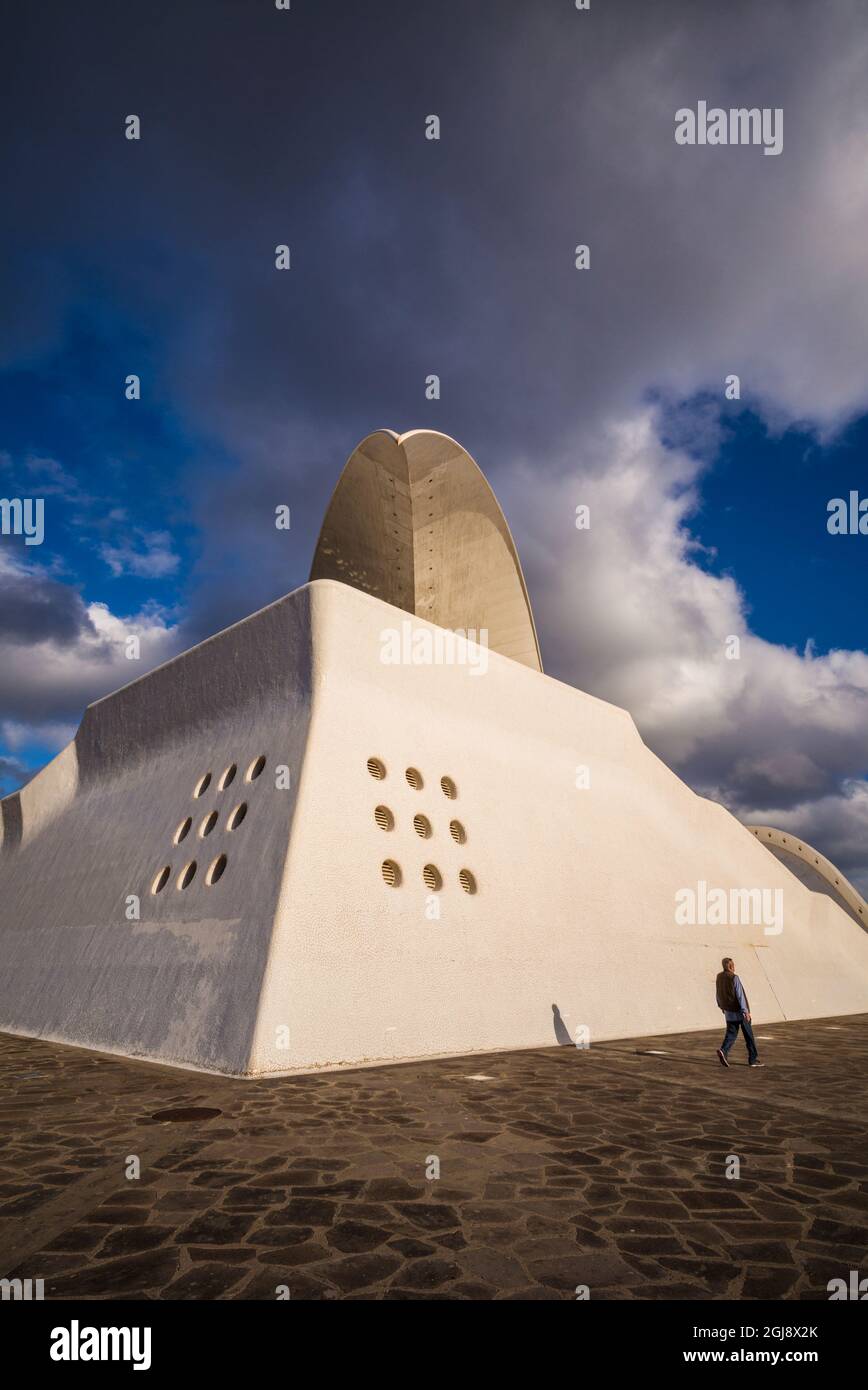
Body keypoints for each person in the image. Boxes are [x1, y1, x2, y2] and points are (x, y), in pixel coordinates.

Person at [715, 957, 764, 1068]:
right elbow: (740, 995)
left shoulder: (719, 977)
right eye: (733, 965)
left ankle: (723, 1051)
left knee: (731, 1034)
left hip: (728, 1012)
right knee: (748, 1036)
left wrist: (721, 1006)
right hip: (739, 1012)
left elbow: (718, 993)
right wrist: (745, 1011)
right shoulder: (734, 977)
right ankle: (752, 1060)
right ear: (731, 966)